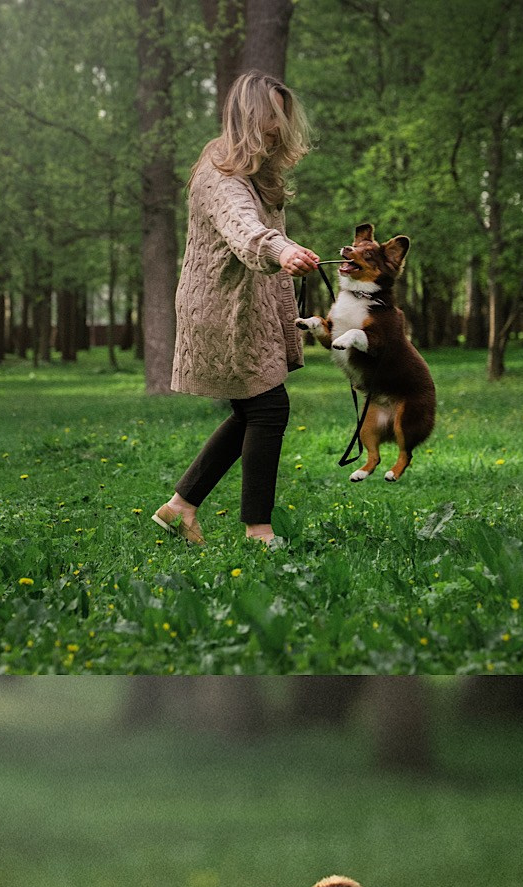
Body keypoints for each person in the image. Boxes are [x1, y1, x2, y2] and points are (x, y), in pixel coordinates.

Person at [153, 71, 319, 546]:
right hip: (220, 311)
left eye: (284, 115)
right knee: (268, 406)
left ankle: (179, 508)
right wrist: (281, 251)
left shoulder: (257, 173)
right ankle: (257, 530)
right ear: (248, 114)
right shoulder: (221, 172)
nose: (279, 125)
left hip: (246, 309)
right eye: (271, 114)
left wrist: (289, 252)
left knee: (254, 409)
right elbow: (242, 227)